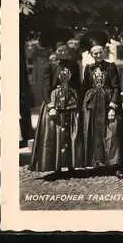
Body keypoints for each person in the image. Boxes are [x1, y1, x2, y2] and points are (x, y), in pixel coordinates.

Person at [29, 27, 84, 175]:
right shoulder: (50, 66)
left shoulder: (73, 64)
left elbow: (77, 85)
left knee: (72, 131)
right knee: (57, 132)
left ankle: (72, 165)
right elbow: (45, 87)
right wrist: (50, 105)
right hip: (55, 101)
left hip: (71, 101)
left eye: (65, 50)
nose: (63, 53)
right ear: (55, 52)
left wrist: (79, 101)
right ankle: (57, 166)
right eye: (60, 51)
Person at [80, 30, 123, 179]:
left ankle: (115, 165)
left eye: (100, 52)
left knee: (111, 133)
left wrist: (113, 105)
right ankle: (97, 164)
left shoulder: (111, 67)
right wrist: (85, 105)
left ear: (104, 52)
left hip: (107, 102)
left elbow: (116, 87)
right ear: (91, 55)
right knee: (95, 133)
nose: (98, 55)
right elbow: (85, 88)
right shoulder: (88, 69)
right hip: (92, 104)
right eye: (95, 53)